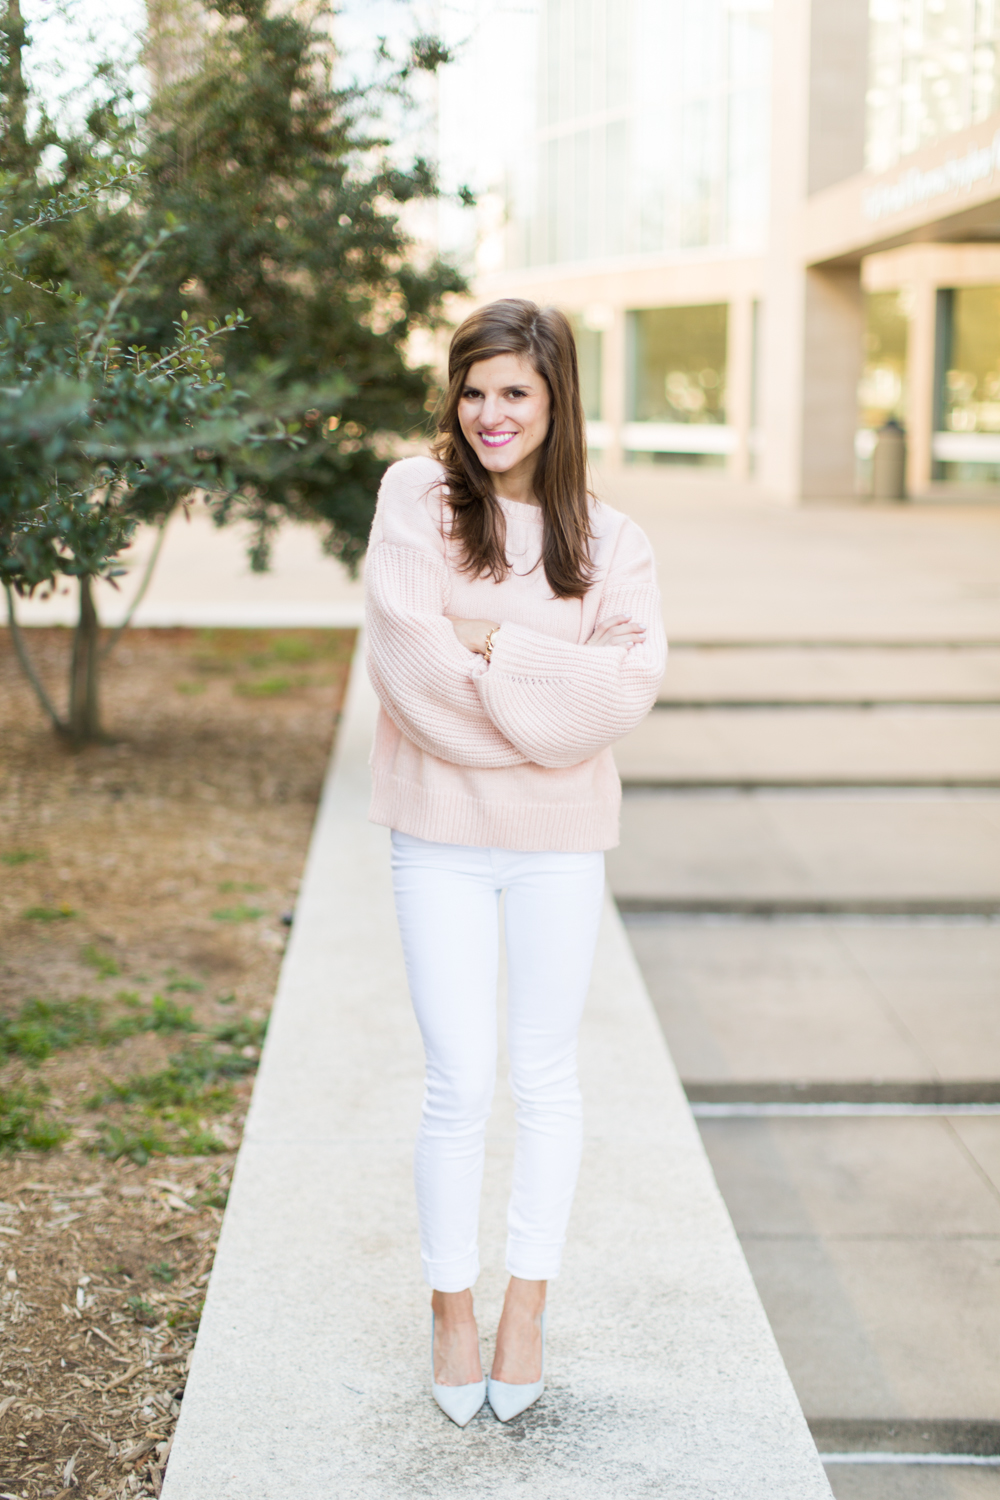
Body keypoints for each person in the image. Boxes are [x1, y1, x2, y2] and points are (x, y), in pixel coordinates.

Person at [364, 298, 666, 1426]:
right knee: (459, 1080)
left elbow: (625, 690)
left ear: (555, 401)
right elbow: (408, 667)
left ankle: (524, 1305)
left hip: (557, 849)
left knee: (544, 1080)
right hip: (436, 837)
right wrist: (546, 695)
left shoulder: (613, 540)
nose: (490, 414)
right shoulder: (415, 497)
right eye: (474, 390)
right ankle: (451, 1309)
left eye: (516, 394)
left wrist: (495, 645)